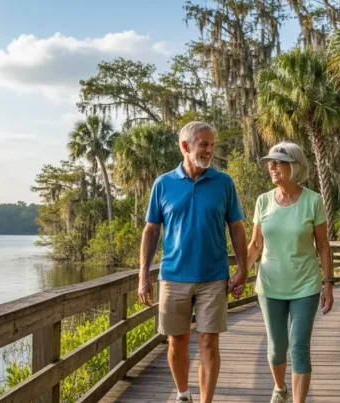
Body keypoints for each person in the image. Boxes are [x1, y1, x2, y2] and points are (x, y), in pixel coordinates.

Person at [138, 121, 248, 403]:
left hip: (213, 276)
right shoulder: (163, 184)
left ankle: (205, 401)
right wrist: (143, 276)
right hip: (173, 276)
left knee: (209, 341)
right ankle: (183, 394)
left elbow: (236, 227)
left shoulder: (223, 182)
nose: (210, 150)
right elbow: (151, 230)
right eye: (204, 144)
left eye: (212, 144)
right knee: (177, 340)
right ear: (185, 147)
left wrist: (243, 269)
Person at [247, 141, 334, 403]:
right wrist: (239, 275)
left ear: (294, 166)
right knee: (276, 350)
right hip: (270, 286)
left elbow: (323, 245)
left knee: (299, 348)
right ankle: (280, 388)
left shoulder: (313, 200)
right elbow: (255, 245)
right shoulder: (263, 201)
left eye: (278, 162)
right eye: (270, 162)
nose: (272, 166)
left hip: (305, 285)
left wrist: (328, 283)